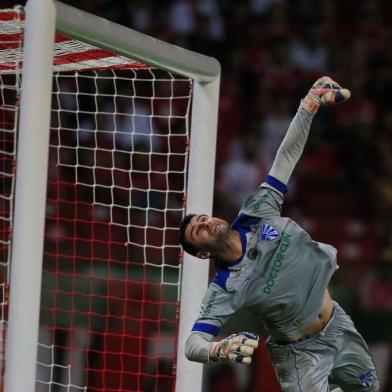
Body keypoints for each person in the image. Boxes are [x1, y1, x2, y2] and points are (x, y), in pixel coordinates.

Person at [179, 77, 380, 391]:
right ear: (203, 253)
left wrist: (308, 107)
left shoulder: (256, 212)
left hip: (337, 324)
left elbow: (285, 159)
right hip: (300, 354)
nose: (206, 224)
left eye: (204, 218)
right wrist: (218, 349)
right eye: (198, 231)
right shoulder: (225, 287)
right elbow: (192, 344)